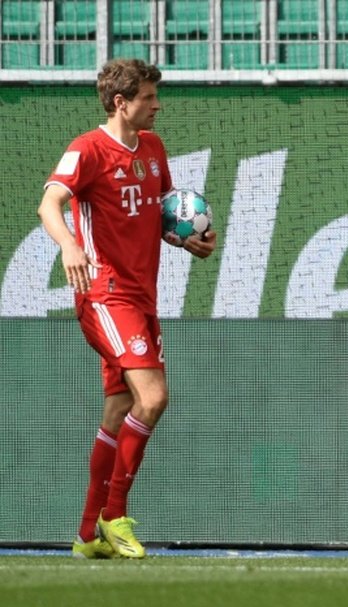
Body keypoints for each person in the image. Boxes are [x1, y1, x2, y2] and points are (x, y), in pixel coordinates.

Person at [37, 59, 217, 559]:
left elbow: (159, 215)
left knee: (120, 409)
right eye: (149, 98)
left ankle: (87, 534)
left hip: (141, 297)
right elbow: (50, 202)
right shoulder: (87, 149)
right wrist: (70, 245)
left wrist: (188, 242)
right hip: (104, 293)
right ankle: (114, 514)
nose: (157, 106)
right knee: (154, 397)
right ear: (122, 103)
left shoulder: (154, 149)